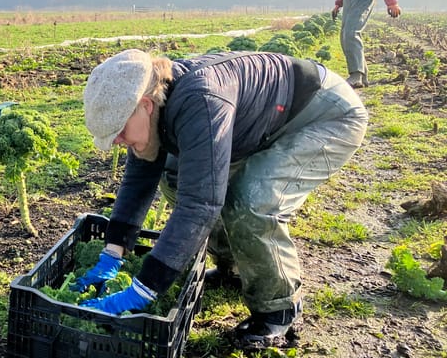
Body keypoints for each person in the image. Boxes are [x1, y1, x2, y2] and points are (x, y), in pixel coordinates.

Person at [76, 49, 368, 347]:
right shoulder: (154, 102)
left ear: (146, 106)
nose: (118, 141)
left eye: (120, 131)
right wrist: (112, 254)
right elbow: (140, 178)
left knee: (252, 201)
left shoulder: (201, 100)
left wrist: (144, 289)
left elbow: (200, 203)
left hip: (323, 115)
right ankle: (233, 269)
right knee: (176, 176)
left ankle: (278, 310)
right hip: (263, 122)